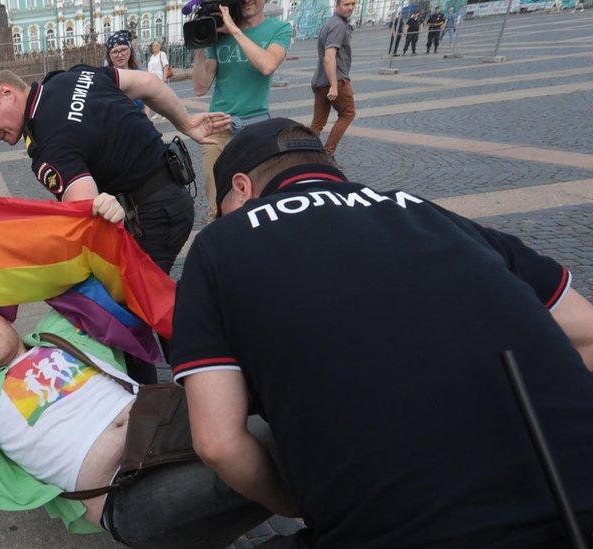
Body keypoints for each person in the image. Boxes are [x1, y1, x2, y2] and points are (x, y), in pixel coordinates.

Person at [171, 118, 593, 547]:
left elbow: (219, 442)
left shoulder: (218, 245)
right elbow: (587, 332)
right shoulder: (431, 212)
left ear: (241, 187)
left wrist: (291, 504)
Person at [0, 266, 274, 546]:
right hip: (122, 491)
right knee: (272, 454)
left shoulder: (59, 332)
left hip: (166, 423)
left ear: (6, 319)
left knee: (284, 417)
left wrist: (104, 213)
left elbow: (88, 270)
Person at [0, 59, 230, 274]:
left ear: (7, 93)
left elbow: (85, 214)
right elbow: (148, 82)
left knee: (137, 311)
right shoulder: (69, 78)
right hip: (174, 192)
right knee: (150, 302)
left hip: (153, 216)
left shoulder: (47, 144)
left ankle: (195, 340)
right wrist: (185, 122)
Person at [191, 0, 292, 223]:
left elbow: (267, 65)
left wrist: (234, 30)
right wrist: (199, 42)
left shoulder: (279, 29)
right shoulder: (219, 34)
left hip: (255, 129)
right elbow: (200, 87)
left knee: (255, 203)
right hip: (217, 130)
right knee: (216, 206)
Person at [309, 0, 356, 158]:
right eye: (346, 4)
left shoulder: (330, 23)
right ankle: (328, 154)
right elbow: (329, 57)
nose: (350, 7)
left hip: (320, 81)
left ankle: (307, 155)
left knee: (318, 123)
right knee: (348, 113)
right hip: (335, 80)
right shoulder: (338, 25)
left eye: (353, 4)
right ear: (337, 5)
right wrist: (334, 86)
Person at [104, 30, 147, 114]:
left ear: (130, 50)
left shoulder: (139, 74)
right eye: (115, 52)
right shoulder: (106, 78)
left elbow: (147, 102)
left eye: (123, 50)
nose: (120, 55)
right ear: (109, 55)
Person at [146, 41, 170, 120]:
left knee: (162, 97)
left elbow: (165, 66)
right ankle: (158, 113)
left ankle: (165, 114)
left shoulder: (162, 54)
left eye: (157, 45)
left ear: (160, 46)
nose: (155, 47)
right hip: (153, 79)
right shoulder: (152, 56)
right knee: (156, 98)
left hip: (160, 78)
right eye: (153, 46)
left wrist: (165, 78)